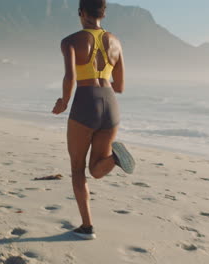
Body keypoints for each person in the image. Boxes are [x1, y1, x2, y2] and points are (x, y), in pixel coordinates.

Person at [52, 0, 135, 240]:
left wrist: (64, 101)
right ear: (102, 14)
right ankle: (115, 158)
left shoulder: (70, 41)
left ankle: (87, 226)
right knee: (97, 168)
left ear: (81, 13)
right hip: (111, 106)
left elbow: (70, 76)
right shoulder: (117, 42)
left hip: (85, 103)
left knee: (78, 168)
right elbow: (119, 85)